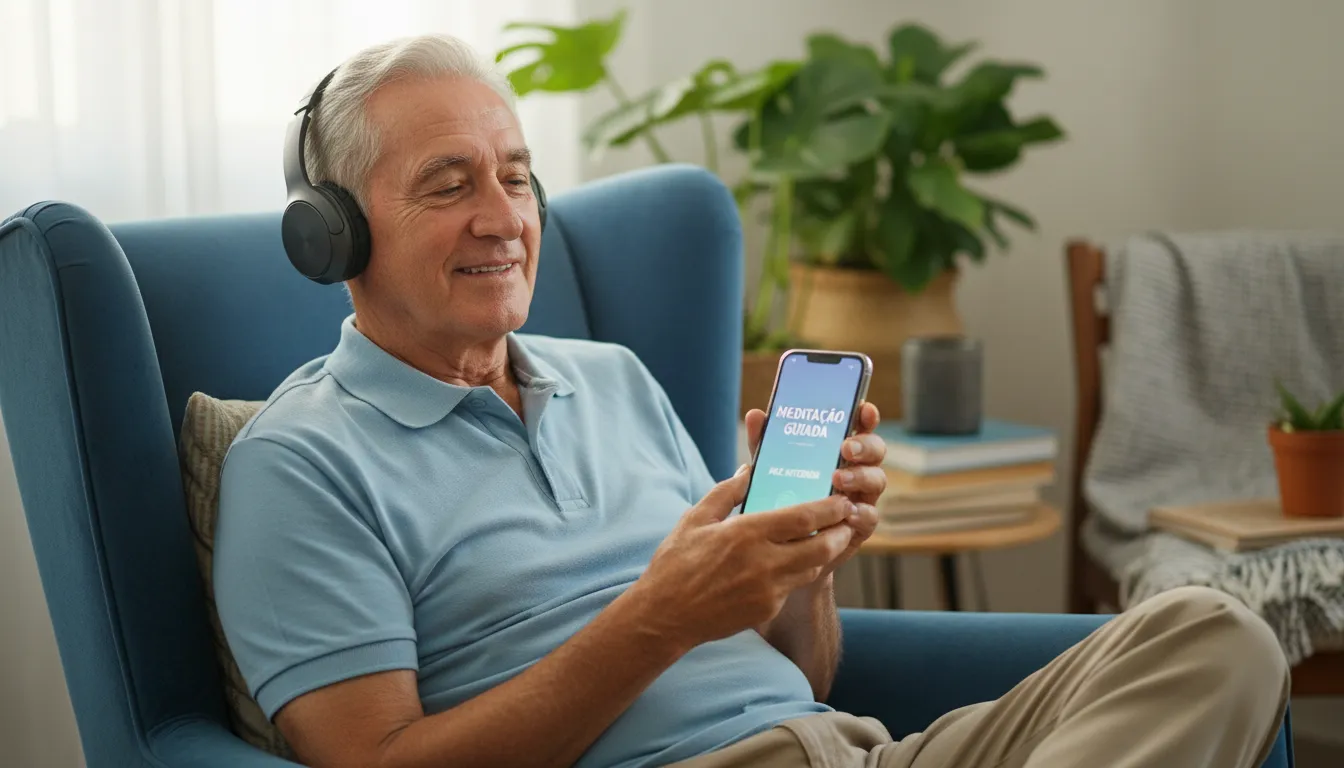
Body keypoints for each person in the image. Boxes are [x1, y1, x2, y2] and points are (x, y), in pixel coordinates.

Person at [214, 34, 1290, 768]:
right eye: (450, 185)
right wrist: (659, 616)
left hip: (861, 750)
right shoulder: (302, 463)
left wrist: (801, 566)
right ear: (334, 235)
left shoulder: (612, 377)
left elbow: (798, 674)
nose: (505, 217)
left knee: (1214, 635)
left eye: (518, 175)